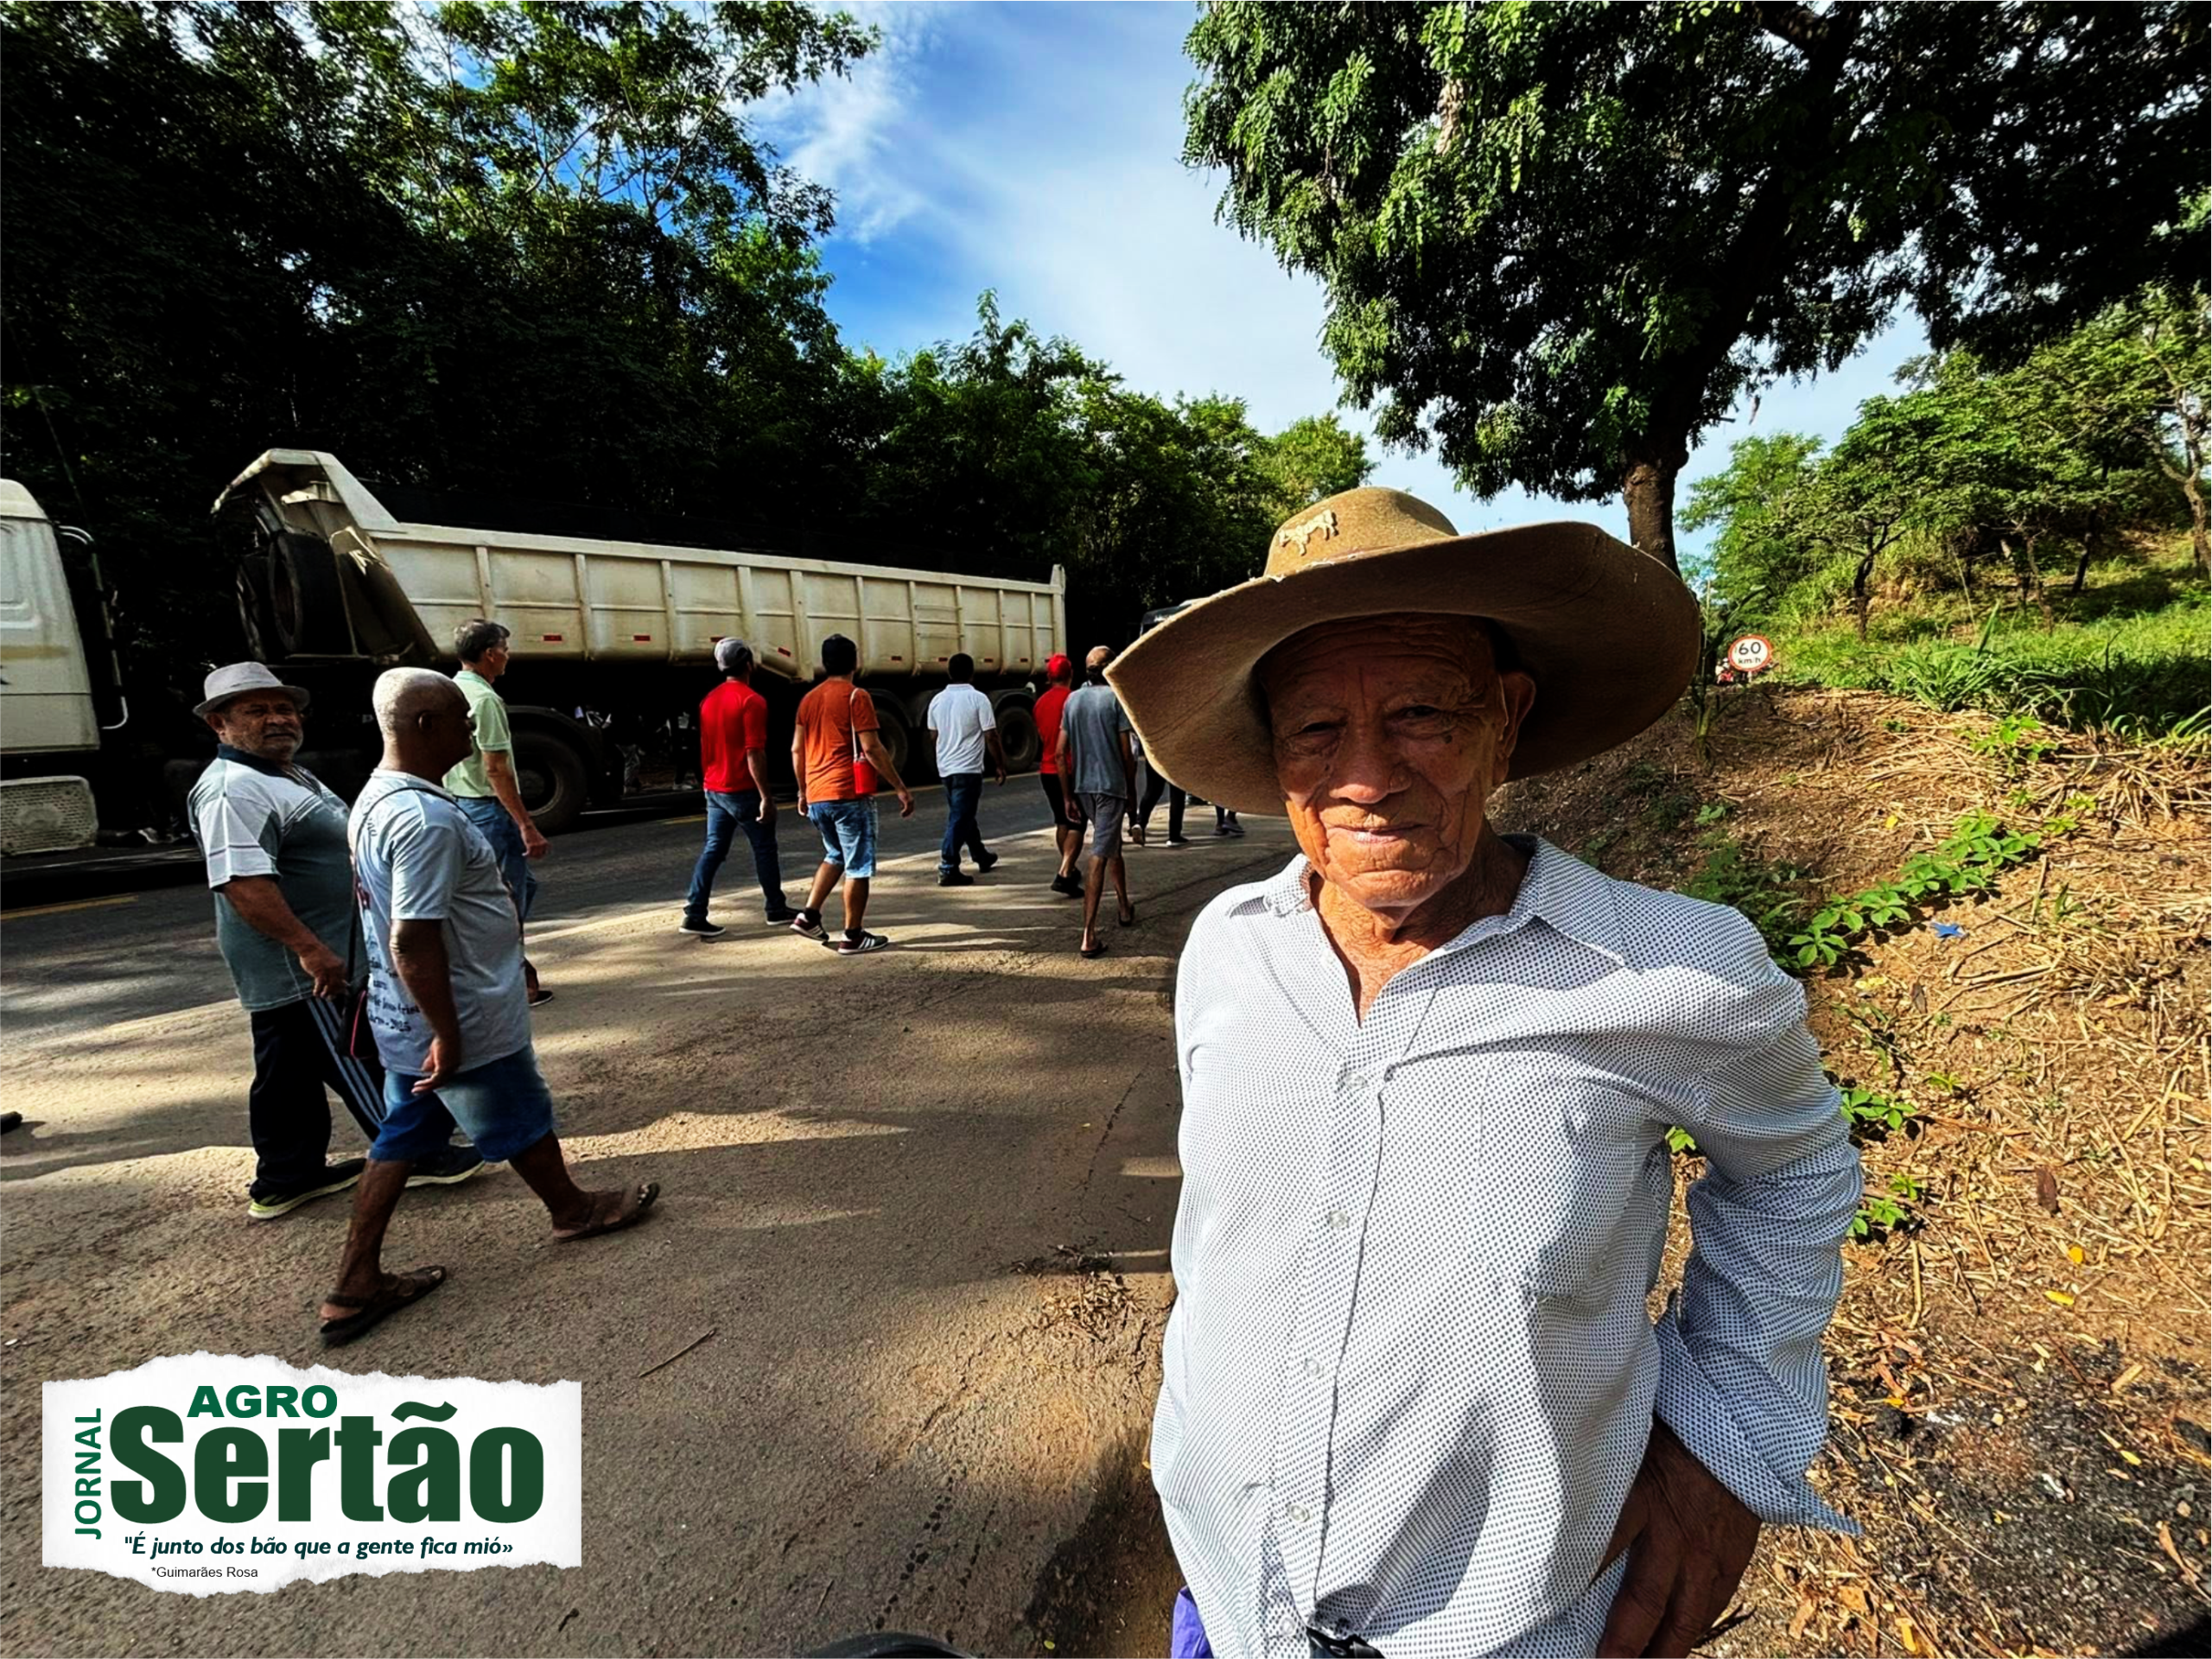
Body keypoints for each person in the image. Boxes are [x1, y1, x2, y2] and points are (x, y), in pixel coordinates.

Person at [1109, 487, 1863, 1659]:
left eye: (1419, 713)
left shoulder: (1670, 972)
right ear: (1275, 756)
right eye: (1316, 731)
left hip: (1508, 1631)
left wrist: (1725, 1446)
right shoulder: (1228, 949)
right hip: (1223, 1604)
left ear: (1506, 717)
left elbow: (1798, 1168)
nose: (1367, 775)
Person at [325, 669, 660, 1346]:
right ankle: (574, 1210)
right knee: (519, 1113)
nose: (472, 731)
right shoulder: (425, 819)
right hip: (457, 1011)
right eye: (460, 719)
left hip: (406, 1014)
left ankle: (354, 1283)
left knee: (402, 1133)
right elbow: (412, 935)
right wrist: (449, 1033)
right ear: (423, 725)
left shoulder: (377, 799)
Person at [186, 663, 482, 1221]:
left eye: (284, 707)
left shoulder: (282, 773)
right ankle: (413, 1153)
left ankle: (286, 1177)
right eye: (256, 710)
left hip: (314, 958)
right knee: (354, 1057)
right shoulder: (232, 789)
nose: (277, 718)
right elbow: (242, 884)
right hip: (303, 965)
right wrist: (310, 950)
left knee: (287, 1072)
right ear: (219, 724)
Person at [444, 619, 552, 1006]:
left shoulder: (453, 690)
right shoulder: (486, 700)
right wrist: (527, 825)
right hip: (489, 810)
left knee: (508, 892)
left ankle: (507, 972)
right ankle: (510, 982)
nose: (508, 656)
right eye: (505, 648)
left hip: (463, 804)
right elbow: (496, 768)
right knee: (506, 901)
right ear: (490, 653)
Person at [789, 634, 915, 956]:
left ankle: (808, 916)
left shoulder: (808, 699)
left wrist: (803, 790)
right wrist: (900, 787)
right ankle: (853, 935)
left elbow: (797, 749)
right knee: (857, 865)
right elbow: (872, 747)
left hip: (817, 793)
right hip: (847, 793)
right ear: (855, 661)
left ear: (824, 662)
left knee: (835, 855)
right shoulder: (856, 696)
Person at [680, 638, 794, 935]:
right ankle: (775, 908)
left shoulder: (708, 700)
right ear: (749, 664)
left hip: (714, 788)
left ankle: (694, 912)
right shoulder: (752, 701)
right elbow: (754, 751)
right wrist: (766, 797)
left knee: (714, 849)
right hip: (742, 788)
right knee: (764, 847)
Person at [1053, 645, 1140, 959]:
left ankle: (1124, 906)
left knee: (1111, 843)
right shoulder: (1117, 699)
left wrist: (1067, 795)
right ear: (1111, 668)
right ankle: (1089, 934)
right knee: (1100, 854)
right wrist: (1131, 793)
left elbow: (1060, 753)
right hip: (1110, 787)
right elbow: (1127, 753)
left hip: (1083, 788)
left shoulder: (1072, 700)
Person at [925, 652, 1007, 887]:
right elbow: (990, 735)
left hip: (946, 768)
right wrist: (1000, 765)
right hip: (968, 768)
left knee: (963, 813)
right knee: (960, 816)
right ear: (971, 673)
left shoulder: (937, 700)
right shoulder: (978, 699)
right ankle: (948, 865)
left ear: (949, 673)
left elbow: (933, 735)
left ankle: (981, 855)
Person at [1032, 654, 1083, 895]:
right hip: (1071, 769)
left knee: (1061, 820)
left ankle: (1069, 867)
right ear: (1070, 675)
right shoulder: (1074, 700)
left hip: (1047, 769)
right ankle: (1065, 872)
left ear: (1049, 677)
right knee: (1077, 823)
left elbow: (1043, 737)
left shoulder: (1039, 702)